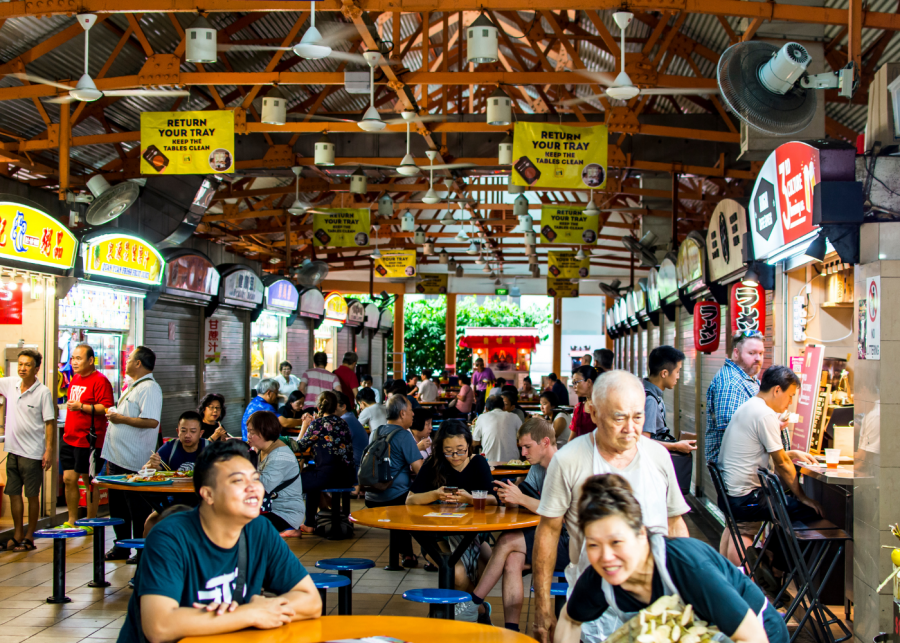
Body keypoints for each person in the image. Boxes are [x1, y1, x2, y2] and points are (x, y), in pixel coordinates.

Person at [532, 370, 690, 643]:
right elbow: (548, 531)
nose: (631, 428)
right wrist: (542, 607)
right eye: (619, 418)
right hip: (592, 606)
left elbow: (675, 523)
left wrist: (686, 592)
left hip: (657, 608)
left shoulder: (658, 456)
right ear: (593, 413)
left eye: (638, 417)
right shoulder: (568, 460)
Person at [117, 440, 321, 643]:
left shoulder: (260, 530)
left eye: (255, 479)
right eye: (238, 481)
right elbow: (159, 627)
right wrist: (249, 614)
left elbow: (311, 601)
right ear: (208, 494)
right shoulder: (169, 537)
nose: (253, 489)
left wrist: (258, 611)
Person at [554, 474, 788, 643]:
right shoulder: (600, 576)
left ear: (641, 535)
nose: (606, 557)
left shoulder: (686, 567)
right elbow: (570, 619)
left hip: (759, 632)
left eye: (616, 542)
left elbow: (752, 637)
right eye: (594, 544)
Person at [470, 418, 569, 631]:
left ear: (545, 442)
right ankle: (511, 631)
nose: (523, 454)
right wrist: (509, 494)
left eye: (527, 447)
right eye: (521, 448)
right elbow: (525, 496)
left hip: (571, 544)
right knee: (512, 560)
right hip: (549, 536)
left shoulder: (564, 465)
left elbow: (559, 513)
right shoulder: (538, 468)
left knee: (507, 541)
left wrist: (521, 498)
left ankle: (473, 603)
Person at [718, 365, 819, 565]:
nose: (790, 403)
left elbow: (762, 452)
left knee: (745, 524)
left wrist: (793, 453)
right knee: (808, 513)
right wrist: (803, 497)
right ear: (777, 390)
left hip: (730, 493)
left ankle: (762, 563)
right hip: (746, 498)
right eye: (790, 396)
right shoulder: (765, 414)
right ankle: (771, 565)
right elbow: (781, 464)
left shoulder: (750, 406)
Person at [407, 419, 496, 622]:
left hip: (471, 533)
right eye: (448, 451)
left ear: (469, 445)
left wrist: (470, 499)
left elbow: (494, 499)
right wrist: (436, 494)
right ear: (440, 449)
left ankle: (469, 609)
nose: (455, 456)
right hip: (437, 535)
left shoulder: (478, 463)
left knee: (491, 559)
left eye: (460, 450)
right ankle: (479, 609)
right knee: (457, 573)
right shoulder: (434, 463)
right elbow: (410, 500)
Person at [102, 346, 164, 562]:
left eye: (129, 358)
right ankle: (121, 547)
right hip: (117, 456)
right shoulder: (133, 386)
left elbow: (151, 421)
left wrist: (121, 418)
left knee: (136, 508)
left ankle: (140, 550)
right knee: (117, 506)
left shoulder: (150, 388)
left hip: (134, 460)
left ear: (138, 363)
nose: (126, 361)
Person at [0, 349, 54, 551]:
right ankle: (17, 534)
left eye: (27, 365)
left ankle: (30, 537)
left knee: (32, 496)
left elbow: (49, 423)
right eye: (20, 364)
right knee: (14, 494)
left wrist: (48, 451)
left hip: (32, 453)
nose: (22, 368)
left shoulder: (43, 392)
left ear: (36, 368)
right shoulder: (10, 384)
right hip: (12, 451)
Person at [363, 395, 424, 568]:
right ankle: (430, 553)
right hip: (393, 496)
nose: (413, 415)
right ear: (403, 413)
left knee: (403, 499)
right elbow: (420, 469)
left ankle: (407, 553)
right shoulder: (404, 435)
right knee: (415, 500)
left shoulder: (376, 431)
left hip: (371, 494)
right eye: (411, 411)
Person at [62, 343, 114, 530]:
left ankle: (91, 521)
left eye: (78, 358)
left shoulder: (100, 381)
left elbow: (107, 408)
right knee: (68, 479)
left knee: (89, 481)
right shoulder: (75, 378)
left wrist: (82, 407)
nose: (74, 362)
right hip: (70, 437)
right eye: (73, 358)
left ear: (90, 360)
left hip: (89, 439)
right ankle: (72, 520)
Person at [296, 391, 355, 532]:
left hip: (327, 476)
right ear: (336, 407)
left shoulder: (317, 424)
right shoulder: (343, 423)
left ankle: (308, 523)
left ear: (319, 407)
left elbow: (299, 446)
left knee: (299, 480)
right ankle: (315, 519)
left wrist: (305, 426)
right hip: (347, 476)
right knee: (312, 475)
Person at [141, 411, 208, 535]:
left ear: (201, 433)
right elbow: (144, 471)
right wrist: (152, 466)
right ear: (178, 431)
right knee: (150, 523)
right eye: (183, 431)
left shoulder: (210, 448)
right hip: (172, 505)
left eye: (193, 431)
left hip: (203, 504)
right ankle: (148, 554)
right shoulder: (170, 447)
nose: (187, 435)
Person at [705, 330, 766, 464]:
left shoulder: (747, 377)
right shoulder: (730, 382)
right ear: (736, 353)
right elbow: (730, 428)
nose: (758, 358)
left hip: (745, 464)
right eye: (751, 353)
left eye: (761, 353)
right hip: (734, 467)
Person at [642, 346, 696, 495]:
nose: (678, 376)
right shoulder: (650, 400)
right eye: (677, 371)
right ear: (664, 373)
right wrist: (676, 447)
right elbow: (643, 442)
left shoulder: (647, 392)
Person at [246, 410, 308, 538]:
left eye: (252, 433)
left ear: (265, 432)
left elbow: (261, 488)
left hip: (284, 512)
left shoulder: (280, 456)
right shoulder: (261, 449)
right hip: (266, 507)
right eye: (248, 432)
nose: (248, 436)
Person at [472, 395, 521, 463]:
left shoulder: (482, 417)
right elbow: (523, 436)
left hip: (489, 463)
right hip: (512, 463)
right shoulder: (515, 417)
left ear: (486, 409)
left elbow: (475, 442)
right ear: (503, 407)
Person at [337, 392, 368, 472]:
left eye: (332, 404)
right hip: (358, 468)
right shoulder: (349, 418)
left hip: (354, 470)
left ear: (343, 407)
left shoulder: (344, 421)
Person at [569, 365, 599, 439]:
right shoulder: (578, 408)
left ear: (589, 382)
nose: (574, 386)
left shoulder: (602, 406)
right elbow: (572, 438)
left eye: (576, 382)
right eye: (573, 383)